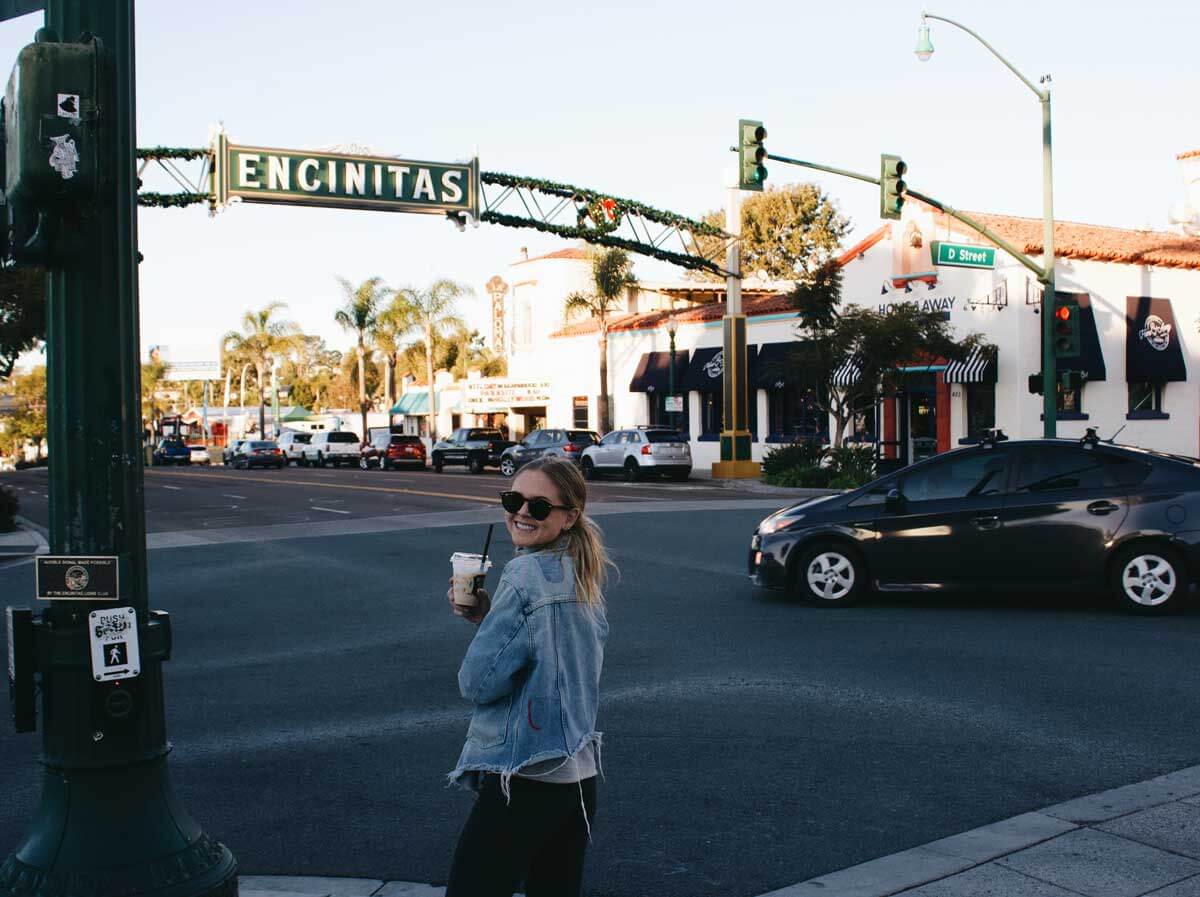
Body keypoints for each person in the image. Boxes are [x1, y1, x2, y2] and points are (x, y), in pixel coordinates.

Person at [445, 456, 614, 897]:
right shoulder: (582, 572)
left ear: (569, 516)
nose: (522, 512)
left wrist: (488, 623)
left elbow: (477, 682)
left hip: (525, 779)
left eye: (539, 507)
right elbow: (555, 658)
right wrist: (489, 617)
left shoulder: (522, 576)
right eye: (513, 499)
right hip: (578, 778)